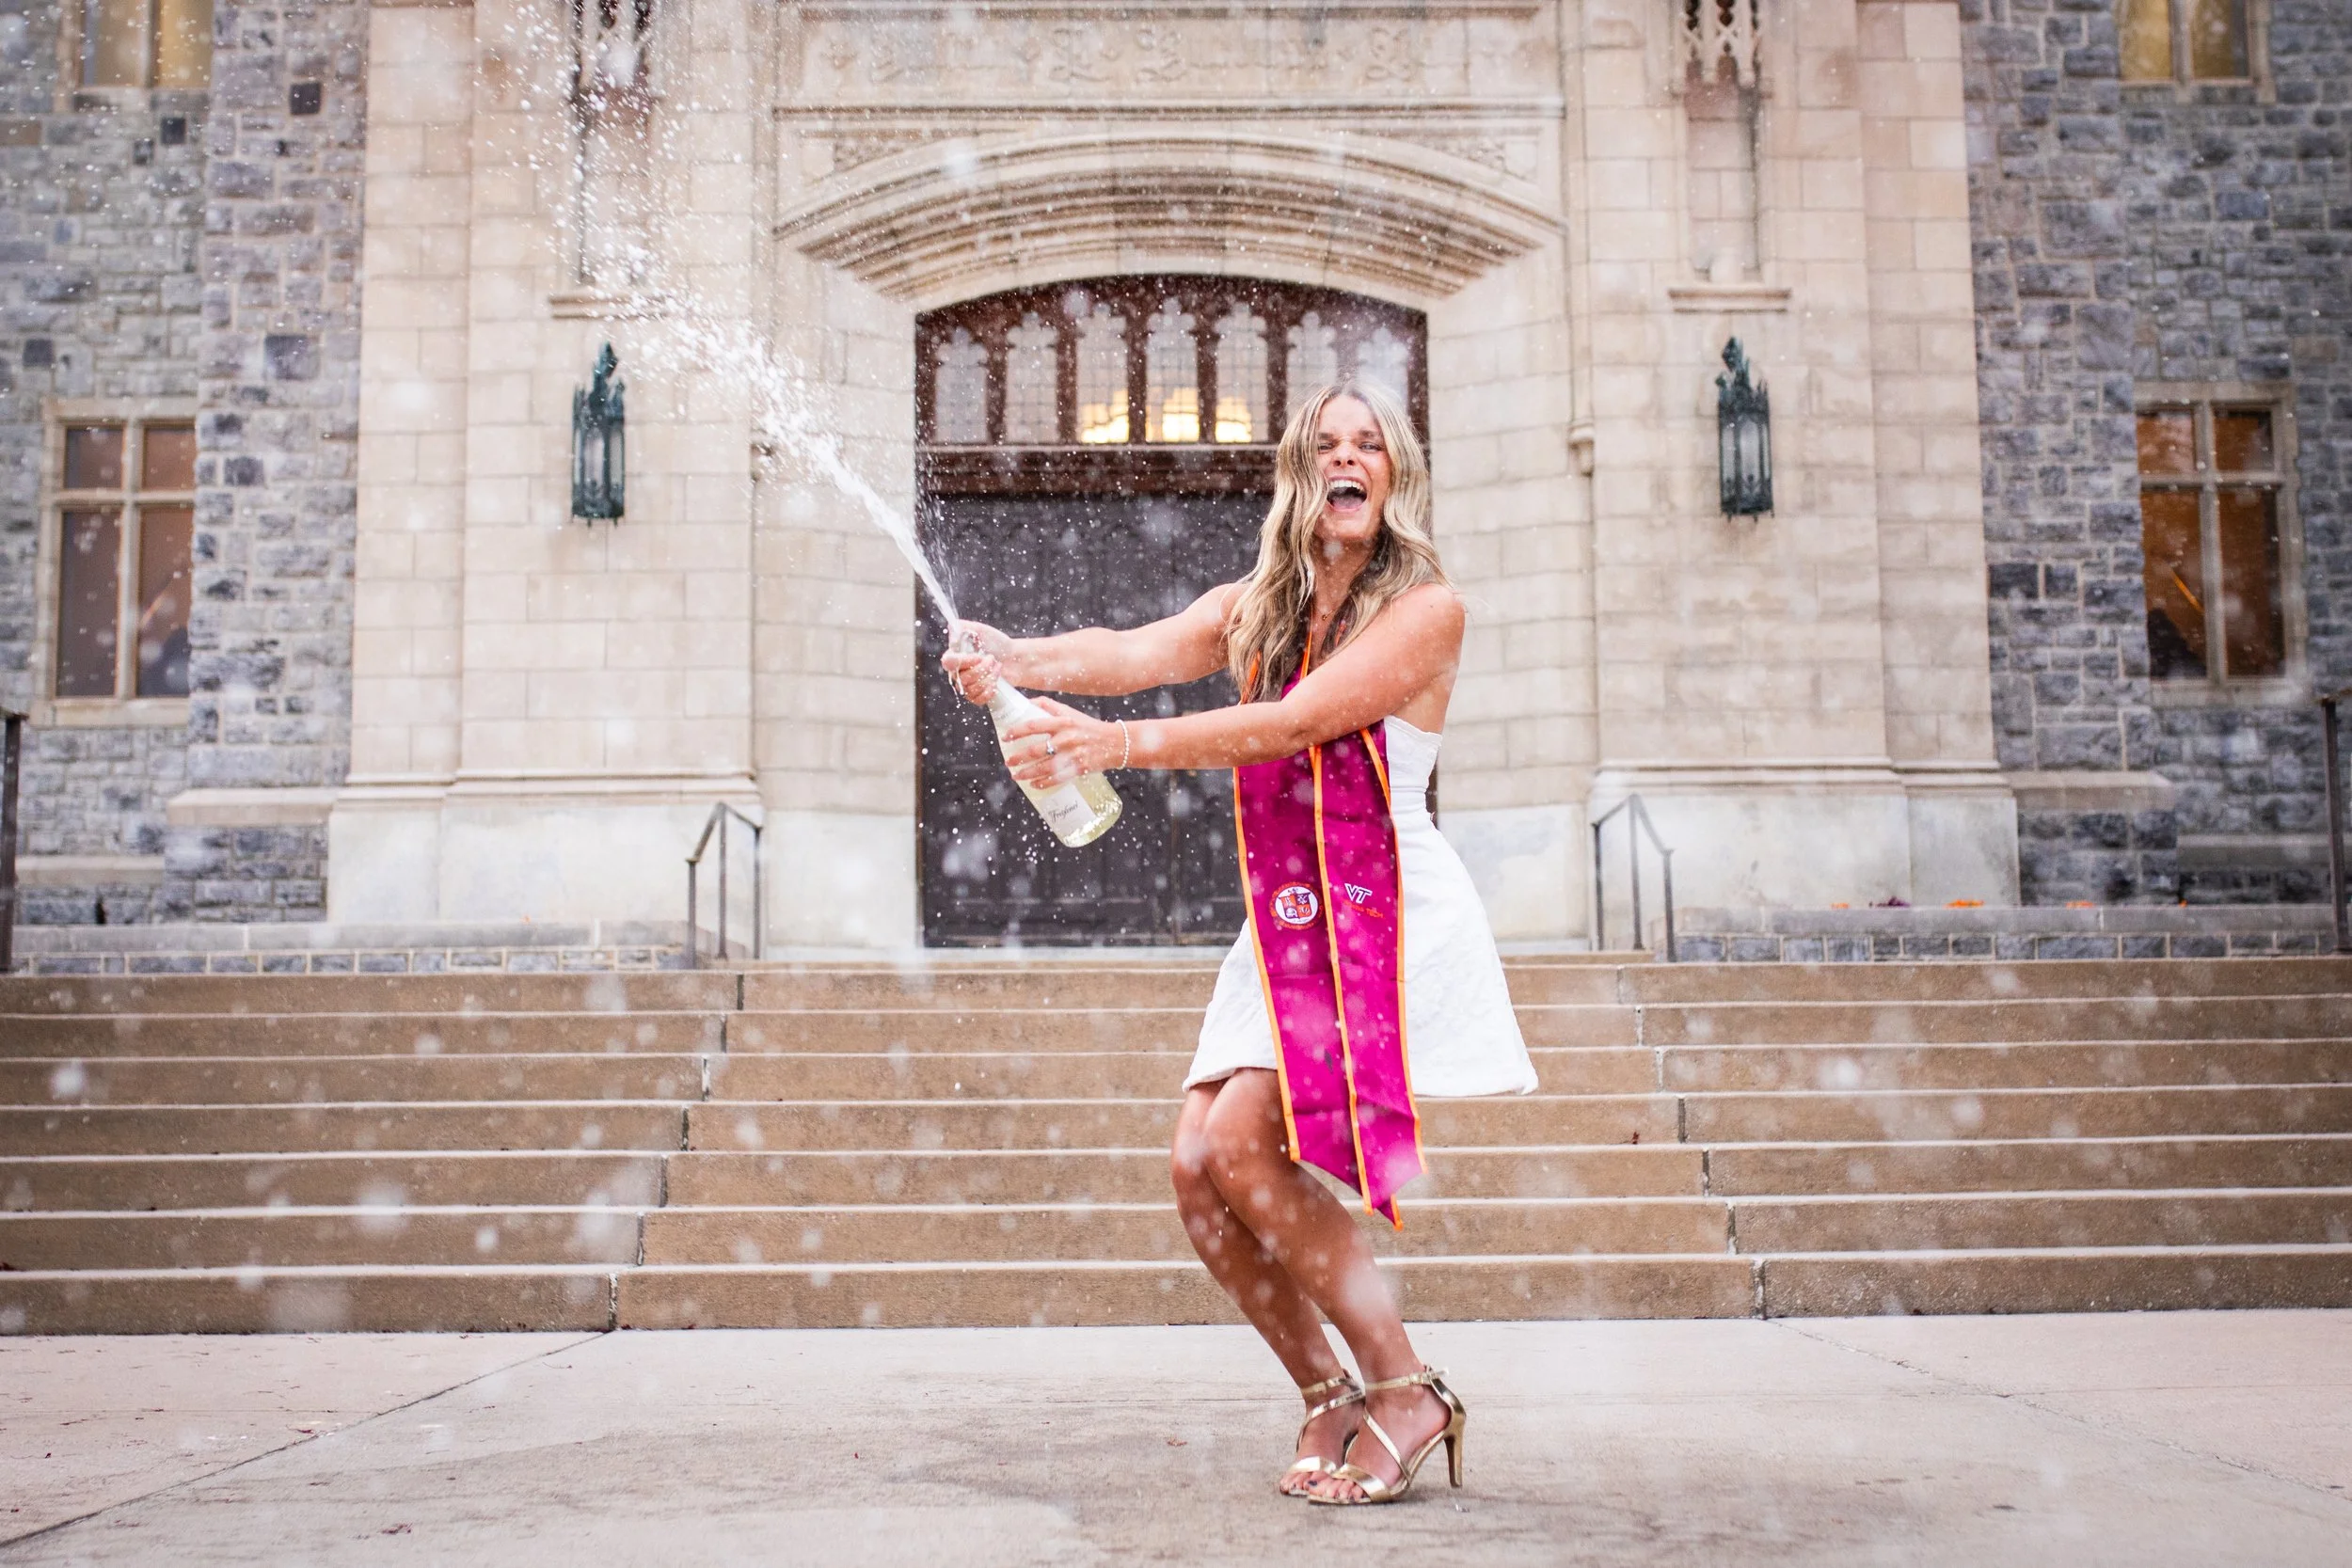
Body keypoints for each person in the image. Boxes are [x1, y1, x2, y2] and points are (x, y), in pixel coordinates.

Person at [941, 382, 1536, 1506]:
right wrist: (1013, 654)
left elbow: (1300, 721)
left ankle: (1405, 1385)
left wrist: (1116, 746)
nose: (1348, 459)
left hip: (1380, 901)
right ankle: (1327, 1390)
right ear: (1298, 478)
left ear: (1395, 476)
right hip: (1288, 907)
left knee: (1243, 1140)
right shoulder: (1259, 601)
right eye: (1325, 445)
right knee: (1195, 1166)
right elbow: (1133, 649)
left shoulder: (1426, 609)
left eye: (1369, 445)